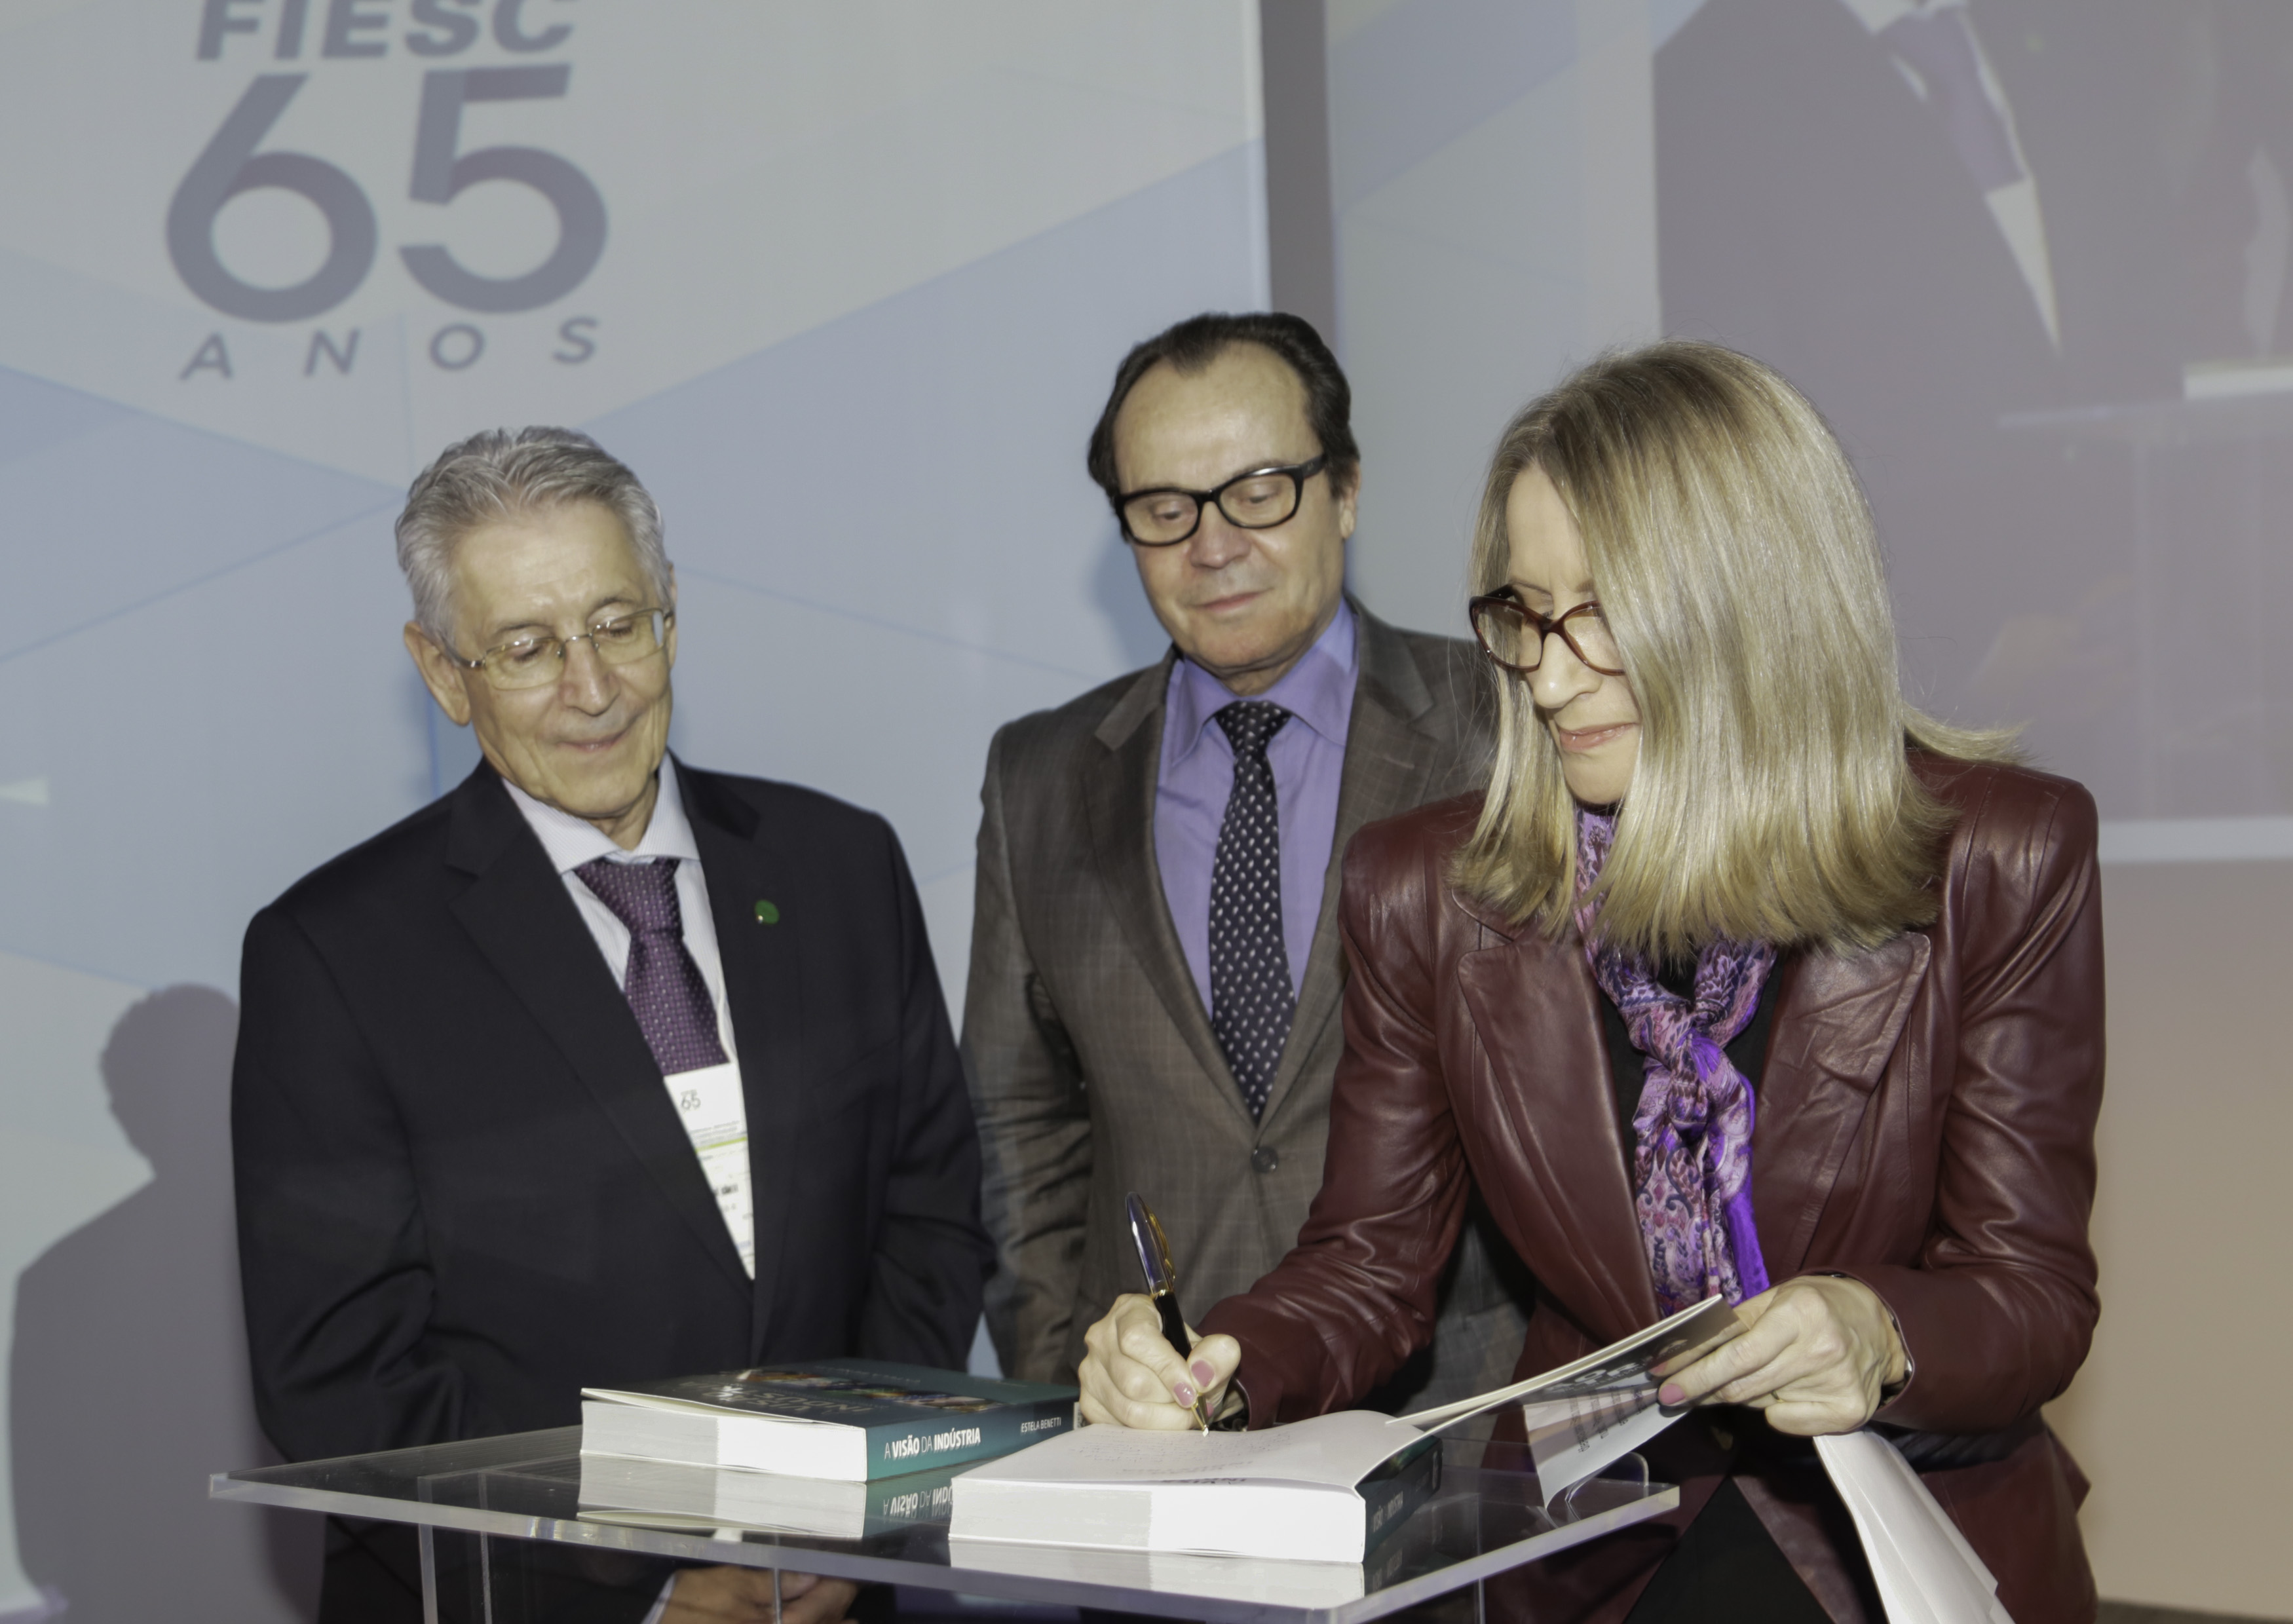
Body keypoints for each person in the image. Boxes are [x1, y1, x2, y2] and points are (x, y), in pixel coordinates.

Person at [1076, 343, 2103, 1623]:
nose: (1548, 677)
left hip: (1902, 1549)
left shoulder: (1999, 857)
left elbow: (2029, 1290)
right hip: (1594, 1557)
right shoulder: (1426, 891)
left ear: (1753, 603)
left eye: (1603, 612)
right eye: (1524, 613)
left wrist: (1877, 1329)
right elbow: (1370, 1265)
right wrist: (1210, 1368)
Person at [233, 428, 991, 1624]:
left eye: (615, 624)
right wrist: (648, 1576)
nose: (591, 689)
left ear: (671, 616)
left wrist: (851, 1522)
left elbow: (930, 1218)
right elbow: (342, 1373)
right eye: (527, 648)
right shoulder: (334, 956)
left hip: (837, 1586)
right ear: (444, 674)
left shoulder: (842, 866)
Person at [964, 312, 1531, 1409]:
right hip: (1154, 1433)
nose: (1213, 545)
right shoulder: (1038, 779)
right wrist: (1063, 1389)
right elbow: (1016, 1128)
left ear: (1346, 491)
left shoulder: (1507, 728)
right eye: (1164, 509)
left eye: (1259, 491)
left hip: (1458, 1424)